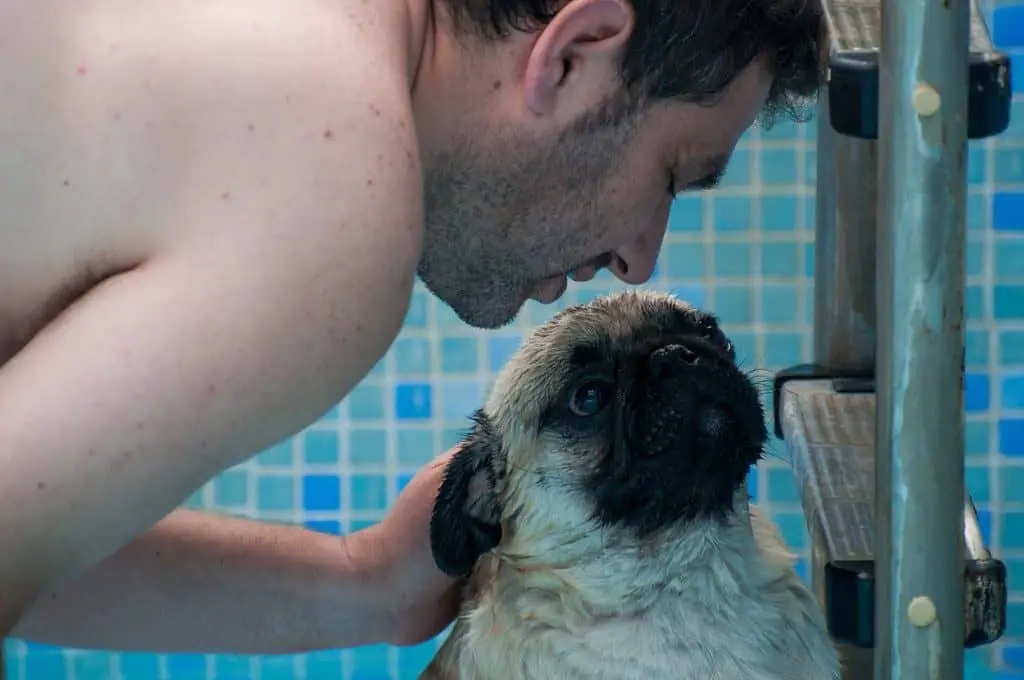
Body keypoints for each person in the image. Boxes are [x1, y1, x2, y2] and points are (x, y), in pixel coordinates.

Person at [0, 0, 823, 656]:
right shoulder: (336, 185)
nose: (642, 257)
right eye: (670, 173)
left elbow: (34, 542)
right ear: (573, 51)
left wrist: (363, 581)